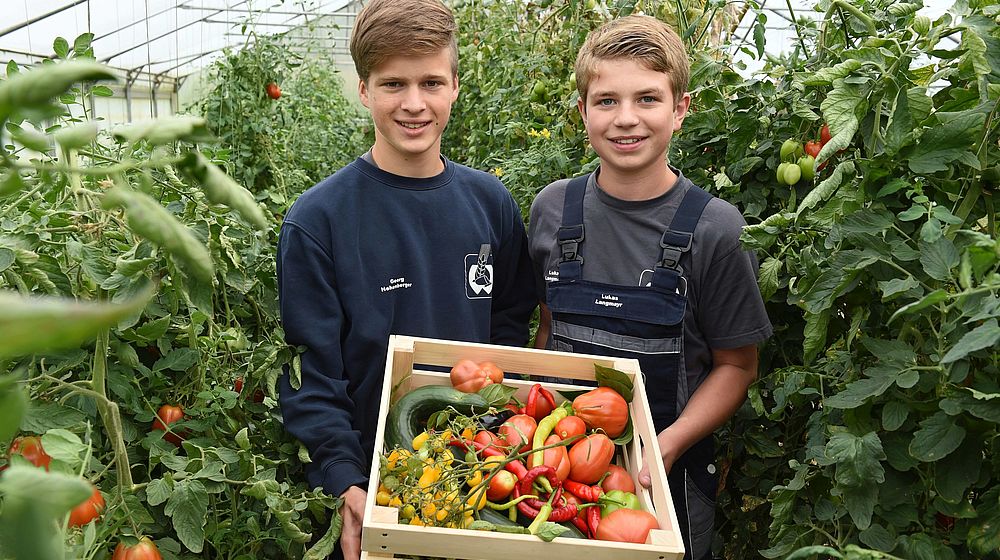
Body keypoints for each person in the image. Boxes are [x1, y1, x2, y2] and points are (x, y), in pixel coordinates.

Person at [276, 1, 536, 558]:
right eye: (393, 84)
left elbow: (511, 321)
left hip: (493, 478)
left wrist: (506, 432)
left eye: (431, 83)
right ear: (365, 90)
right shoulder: (319, 221)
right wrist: (345, 478)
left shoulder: (490, 205)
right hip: (381, 490)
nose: (414, 104)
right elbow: (311, 373)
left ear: (455, 87)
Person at [528, 15, 772, 560]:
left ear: (680, 109)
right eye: (606, 101)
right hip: (556, 474)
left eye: (647, 99)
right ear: (583, 112)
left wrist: (671, 441)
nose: (626, 119)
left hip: (666, 476)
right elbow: (549, 328)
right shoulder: (553, 210)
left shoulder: (715, 229)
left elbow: (737, 365)